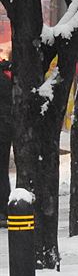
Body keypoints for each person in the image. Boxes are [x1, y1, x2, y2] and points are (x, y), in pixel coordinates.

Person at [0, 59, 13, 227]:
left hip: (2, 130)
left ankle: (3, 209)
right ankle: (4, 209)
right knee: (2, 172)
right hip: (4, 131)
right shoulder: (5, 80)